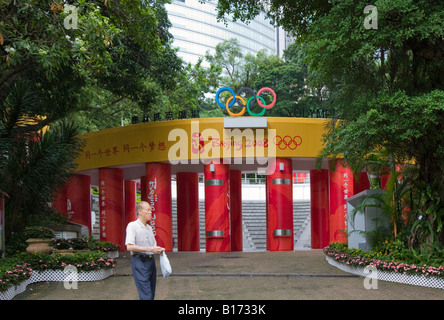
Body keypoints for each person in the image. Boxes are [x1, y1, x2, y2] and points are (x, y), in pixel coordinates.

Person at [125, 201, 164, 300]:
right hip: (139, 261)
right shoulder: (132, 226)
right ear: (140, 211)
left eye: (151, 210)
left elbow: (152, 245)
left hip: (150, 261)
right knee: (146, 294)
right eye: (148, 210)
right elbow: (129, 246)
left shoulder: (149, 228)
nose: (151, 212)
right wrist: (150, 249)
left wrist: (158, 249)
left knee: (151, 292)